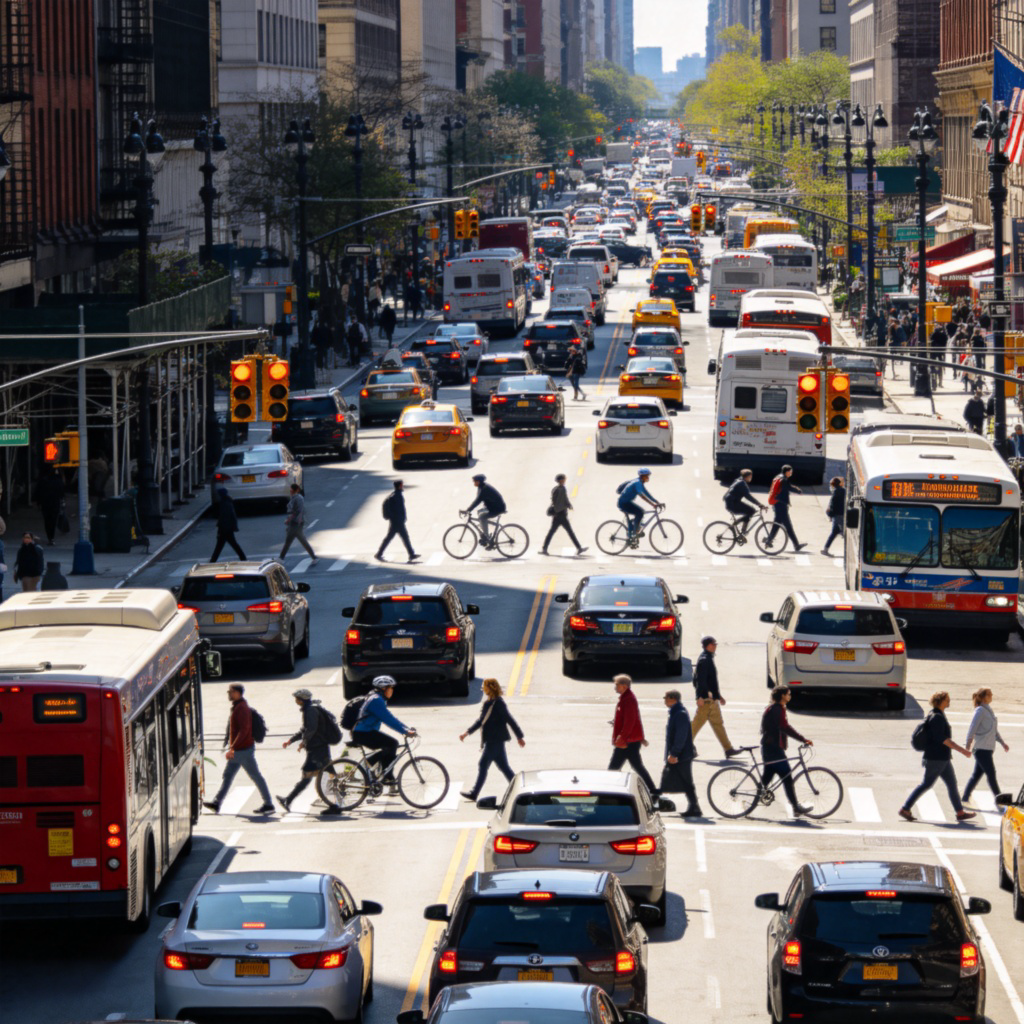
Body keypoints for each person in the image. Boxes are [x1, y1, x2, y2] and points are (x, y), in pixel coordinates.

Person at [899, 691, 975, 822]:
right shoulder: (937, 717)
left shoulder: (936, 714)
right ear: (940, 701)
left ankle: (960, 813)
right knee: (926, 784)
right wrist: (962, 751)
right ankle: (905, 808)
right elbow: (943, 739)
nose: (949, 701)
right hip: (936, 758)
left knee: (952, 785)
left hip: (942, 758)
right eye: (947, 699)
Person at [204, 684, 275, 815]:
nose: (228, 694)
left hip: (243, 751)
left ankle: (269, 803)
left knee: (255, 776)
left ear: (237, 693)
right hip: (240, 751)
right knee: (228, 776)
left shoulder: (241, 708)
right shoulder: (238, 706)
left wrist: (232, 748)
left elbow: (244, 730)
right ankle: (216, 803)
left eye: (230, 692)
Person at [459, 678, 526, 801]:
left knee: (483, 764)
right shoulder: (489, 702)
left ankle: (474, 793)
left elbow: (509, 719)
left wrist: (519, 736)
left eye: (484, 686)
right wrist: (467, 732)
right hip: (494, 740)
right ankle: (520, 790)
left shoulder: (498, 703)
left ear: (490, 688)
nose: (482, 689)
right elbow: (481, 721)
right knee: (504, 768)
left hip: (494, 740)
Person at [278, 688, 337, 814]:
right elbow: (305, 729)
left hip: (317, 749)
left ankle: (335, 805)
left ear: (301, 700)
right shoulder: (310, 709)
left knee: (308, 777)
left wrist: (303, 742)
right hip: (319, 747)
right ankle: (335, 804)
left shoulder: (310, 711)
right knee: (328, 775)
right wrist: (291, 740)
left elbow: (311, 729)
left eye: (297, 699)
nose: (295, 701)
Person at [351, 676, 416, 785]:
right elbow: (388, 719)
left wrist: (406, 729)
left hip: (365, 731)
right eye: (390, 688)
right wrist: (405, 731)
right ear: (383, 688)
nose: (392, 691)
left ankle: (384, 776)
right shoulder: (376, 700)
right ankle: (375, 767)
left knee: (388, 747)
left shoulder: (376, 698)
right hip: (363, 733)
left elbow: (390, 718)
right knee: (392, 743)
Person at [761, 685, 813, 816]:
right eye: (788, 694)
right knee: (787, 778)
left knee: (766, 779)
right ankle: (796, 807)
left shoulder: (774, 708)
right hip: (773, 749)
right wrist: (803, 739)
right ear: (782, 696)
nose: (790, 696)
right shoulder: (777, 709)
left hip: (770, 748)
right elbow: (785, 727)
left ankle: (752, 800)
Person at [607, 674, 660, 797]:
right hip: (630, 740)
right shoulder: (625, 698)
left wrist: (622, 737)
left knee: (614, 766)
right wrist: (616, 723)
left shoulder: (628, 699)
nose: (615, 687)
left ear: (624, 686)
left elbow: (630, 721)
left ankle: (608, 790)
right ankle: (653, 790)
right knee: (636, 765)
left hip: (628, 741)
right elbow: (627, 718)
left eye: (617, 685)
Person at [691, 636, 741, 757]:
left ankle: (728, 749)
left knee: (718, 724)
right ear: (708, 645)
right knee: (695, 726)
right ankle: (682, 748)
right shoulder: (705, 659)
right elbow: (699, 681)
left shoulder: (708, 658)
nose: (715, 646)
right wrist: (700, 697)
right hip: (707, 701)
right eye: (714, 644)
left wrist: (719, 696)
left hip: (712, 700)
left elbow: (710, 681)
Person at [961, 687, 1009, 805]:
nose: (992, 695)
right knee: (991, 774)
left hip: (987, 749)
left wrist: (1003, 743)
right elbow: (972, 728)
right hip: (981, 749)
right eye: (989, 694)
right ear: (983, 697)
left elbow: (993, 731)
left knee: (976, 775)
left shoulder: (988, 710)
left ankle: (965, 797)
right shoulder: (980, 711)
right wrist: (967, 747)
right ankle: (1000, 801)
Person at [661, 690, 701, 817]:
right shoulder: (676, 712)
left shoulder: (680, 714)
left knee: (686, 781)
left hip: (682, 756)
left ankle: (694, 807)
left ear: (673, 699)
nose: (665, 701)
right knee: (683, 781)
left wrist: (674, 754)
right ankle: (694, 807)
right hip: (680, 754)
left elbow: (681, 736)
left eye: (666, 698)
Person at [540, 473, 587, 556]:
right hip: (560, 515)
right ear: (561, 480)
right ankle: (579, 548)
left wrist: (568, 505)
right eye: (564, 479)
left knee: (552, 532)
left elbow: (562, 499)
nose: (565, 480)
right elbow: (557, 501)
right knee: (568, 532)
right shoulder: (559, 489)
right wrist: (564, 507)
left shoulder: (559, 489)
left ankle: (544, 548)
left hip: (559, 514)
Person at [376, 479, 419, 562]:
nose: (403, 486)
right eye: (402, 485)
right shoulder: (397, 496)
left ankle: (411, 554)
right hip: (397, 522)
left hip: (396, 521)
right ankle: (411, 554)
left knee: (396, 538)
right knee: (401, 538)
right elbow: (399, 509)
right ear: (399, 486)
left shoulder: (395, 495)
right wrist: (400, 519)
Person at [765, 465, 806, 552]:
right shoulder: (783, 479)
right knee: (788, 526)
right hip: (781, 505)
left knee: (777, 525)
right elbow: (789, 487)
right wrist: (798, 491)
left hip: (777, 504)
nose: (791, 473)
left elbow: (787, 487)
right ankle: (796, 545)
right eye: (790, 471)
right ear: (786, 471)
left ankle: (769, 540)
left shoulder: (778, 477)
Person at [617, 468, 662, 542]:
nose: (648, 477)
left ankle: (634, 530)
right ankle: (634, 534)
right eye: (646, 476)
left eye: (648, 475)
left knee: (640, 512)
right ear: (642, 476)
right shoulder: (637, 483)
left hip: (626, 502)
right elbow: (642, 496)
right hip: (623, 503)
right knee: (640, 512)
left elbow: (647, 493)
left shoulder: (639, 482)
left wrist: (656, 501)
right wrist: (652, 504)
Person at [464, 473, 507, 548]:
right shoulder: (481, 487)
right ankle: (485, 534)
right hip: (494, 506)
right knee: (480, 512)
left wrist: (468, 510)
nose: (474, 483)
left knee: (482, 517)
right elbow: (479, 500)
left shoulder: (484, 489)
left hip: (497, 508)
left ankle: (487, 538)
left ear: (479, 481)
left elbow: (477, 501)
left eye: (475, 481)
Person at [279, 483, 317, 561]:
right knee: (302, 540)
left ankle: (281, 558)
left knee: (288, 541)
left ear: (297, 490)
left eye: (292, 489)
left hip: (296, 523)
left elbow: (298, 511)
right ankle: (314, 557)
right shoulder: (294, 497)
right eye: (290, 489)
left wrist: (290, 519)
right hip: (295, 522)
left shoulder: (298, 498)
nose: (290, 491)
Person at [723, 469, 764, 536]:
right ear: (747, 476)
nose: (751, 478)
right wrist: (759, 504)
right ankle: (741, 529)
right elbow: (748, 496)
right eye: (750, 476)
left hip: (731, 502)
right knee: (751, 511)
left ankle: (740, 527)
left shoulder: (738, 480)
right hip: (732, 504)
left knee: (750, 510)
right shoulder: (742, 484)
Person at [210, 487, 246, 561]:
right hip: (228, 528)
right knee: (229, 545)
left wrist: (221, 529)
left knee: (221, 546)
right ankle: (243, 557)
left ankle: (213, 560)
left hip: (225, 529)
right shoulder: (226, 502)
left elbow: (224, 518)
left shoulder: (225, 504)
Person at [37, 466, 65, 545]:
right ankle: (51, 537)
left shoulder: (43, 481)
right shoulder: (58, 481)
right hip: (55, 503)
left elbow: (39, 492)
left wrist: (38, 503)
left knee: (47, 521)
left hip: (45, 503)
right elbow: (62, 493)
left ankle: (50, 536)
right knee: (53, 520)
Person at [821, 476, 845, 556]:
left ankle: (825, 549)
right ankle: (825, 549)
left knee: (836, 532)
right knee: (841, 532)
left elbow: (832, 504)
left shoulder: (835, 491)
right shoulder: (841, 491)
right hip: (839, 515)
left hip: (836, 515)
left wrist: (830, 515)